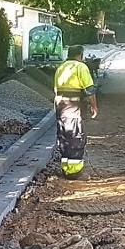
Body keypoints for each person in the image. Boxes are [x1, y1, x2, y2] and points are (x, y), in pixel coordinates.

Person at [53, 45, 98, 179]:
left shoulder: (60, 67)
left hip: (60, 105)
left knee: (64, 135)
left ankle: (66, 169)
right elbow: (89, 90)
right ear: (81, 55)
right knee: (75, 135)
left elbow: (56, 89)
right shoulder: (81, 67)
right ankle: (75, 173)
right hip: (73, 105)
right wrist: (94, 106)